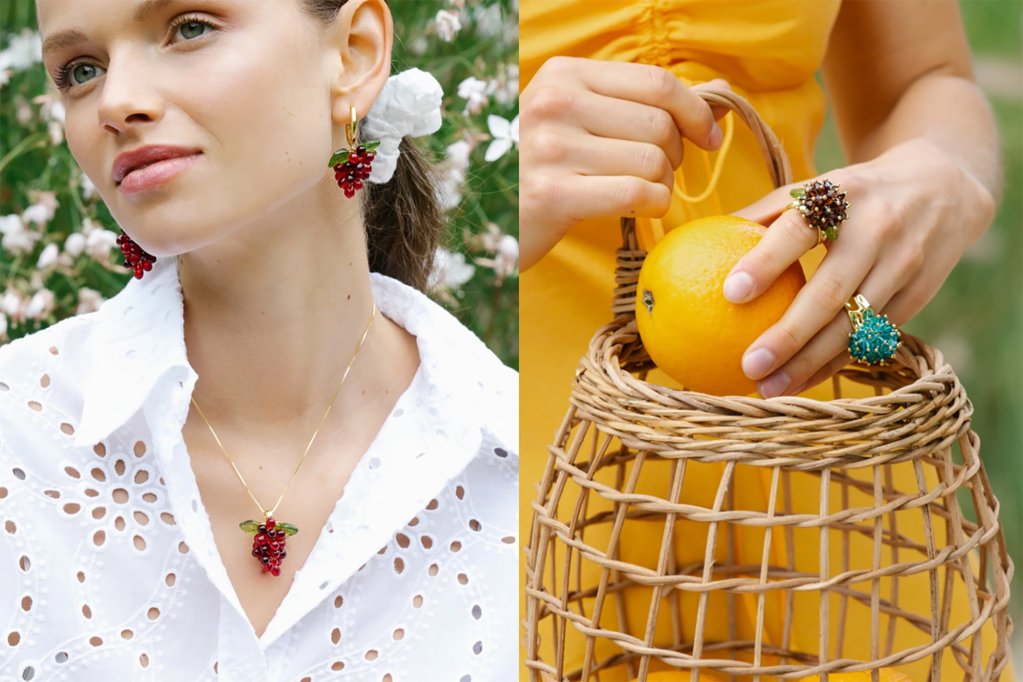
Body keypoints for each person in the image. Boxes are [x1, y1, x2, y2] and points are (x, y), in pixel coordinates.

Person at [0, 0, 518, 679]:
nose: (116, 102)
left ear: (355, 53)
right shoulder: (23, 446)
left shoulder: (535, 474)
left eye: (189, 28)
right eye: (79, 70)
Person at [519, 0, 1010, 678]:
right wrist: (479, 200)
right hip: (546, 468)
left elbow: (923, 79)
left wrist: (943, 172)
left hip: (818, 459)